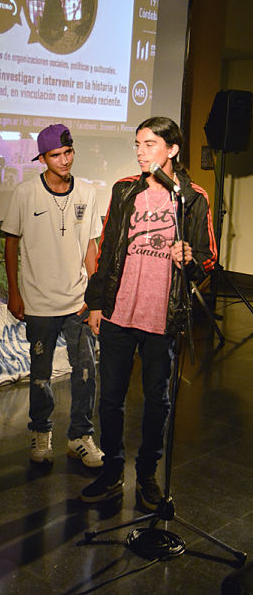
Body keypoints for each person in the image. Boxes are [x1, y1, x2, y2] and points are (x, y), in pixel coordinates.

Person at [80, 117, 217, 511]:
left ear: (172, 149)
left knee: (158, 401)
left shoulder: (192, 197)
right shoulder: (125, 190)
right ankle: (112, 472)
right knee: (111, 399)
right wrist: (96, 303)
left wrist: (191, 259)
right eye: (137, 144)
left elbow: (208, 257)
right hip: (119, 311)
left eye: (150, 144)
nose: (140, 152)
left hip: (162, 315)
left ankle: (147, 477)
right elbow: (107, 249)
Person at [2, 124, 103, 467]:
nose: (64, 160)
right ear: (43, 158)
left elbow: (90, 246)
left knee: (85, 371)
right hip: (39, 301)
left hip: (77, 300)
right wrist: (14, 292)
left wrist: (94, 295)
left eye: (68, 152)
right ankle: (41, 430)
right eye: (56, 154)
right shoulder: (26, 192)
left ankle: (80, 436)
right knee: (41, 374)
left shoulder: (87, 191)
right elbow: (11, 243)